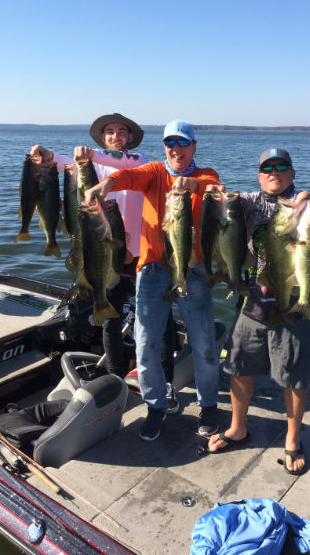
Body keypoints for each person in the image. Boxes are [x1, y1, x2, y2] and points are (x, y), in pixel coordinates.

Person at [30, 114, 178, 411]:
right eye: (109, 132)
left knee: (163, 320)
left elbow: (121, 165)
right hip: (106, 252)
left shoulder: (141, 160)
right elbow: (63, 165)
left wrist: (93, 154)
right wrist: (47, 156)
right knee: (109, 317)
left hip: (144, 253)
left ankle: (168, 381)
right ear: (102, 137)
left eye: (121, 132)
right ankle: (115, 378)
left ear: (129, 138)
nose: (115, 135)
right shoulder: (91, 165)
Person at [84, 120, 221, 441]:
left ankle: (209, 405)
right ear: (164, 148)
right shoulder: (154, 171)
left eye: (183, 143)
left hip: (193, 270)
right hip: (152, 271)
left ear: (194, 147)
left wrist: (193, 187)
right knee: (145, 346)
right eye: (170, 144)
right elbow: (130, 176)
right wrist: (107, 185)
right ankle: (156, 405)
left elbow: (215, 188)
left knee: (204, 344)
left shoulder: (206, 174)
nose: (176, 149)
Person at [207, 147, 310, 476]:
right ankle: (237, 428)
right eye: (267, 168)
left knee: (294, 375)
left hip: (294, 301)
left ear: (292, 173)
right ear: (259, 176)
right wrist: (212, 192)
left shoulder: (305, 206)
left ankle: (292, 438)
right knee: (238, 366)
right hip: (253, 299)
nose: (274, 172)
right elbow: (220, 199)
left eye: (281, 166)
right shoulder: (246, 202)